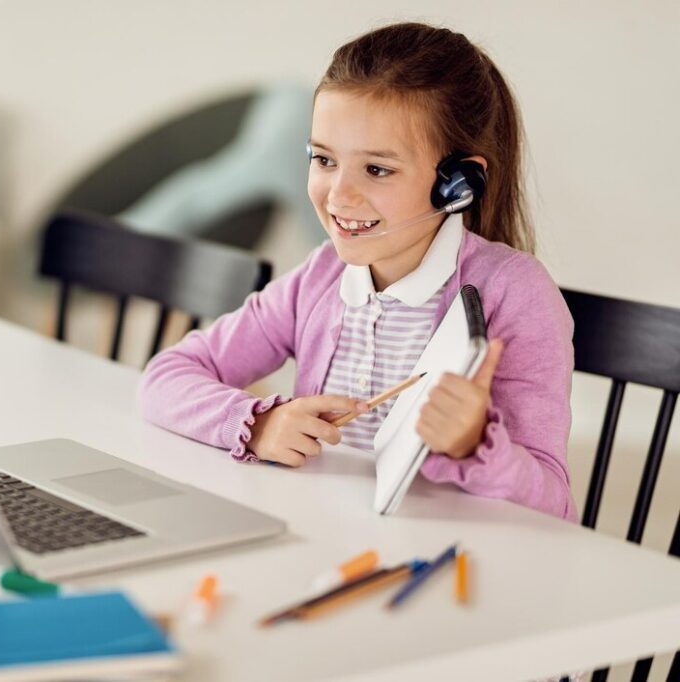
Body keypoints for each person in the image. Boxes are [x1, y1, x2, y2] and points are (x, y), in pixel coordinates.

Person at [137, 22, 577, 521]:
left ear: (458, 184)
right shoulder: (320, 278)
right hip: (323, 537)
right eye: (323, 159)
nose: (338, 195)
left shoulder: (516, 294)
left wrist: (473, 444)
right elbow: (164, 378)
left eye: (377, 169)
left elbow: (553, 504)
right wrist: (257, 425)